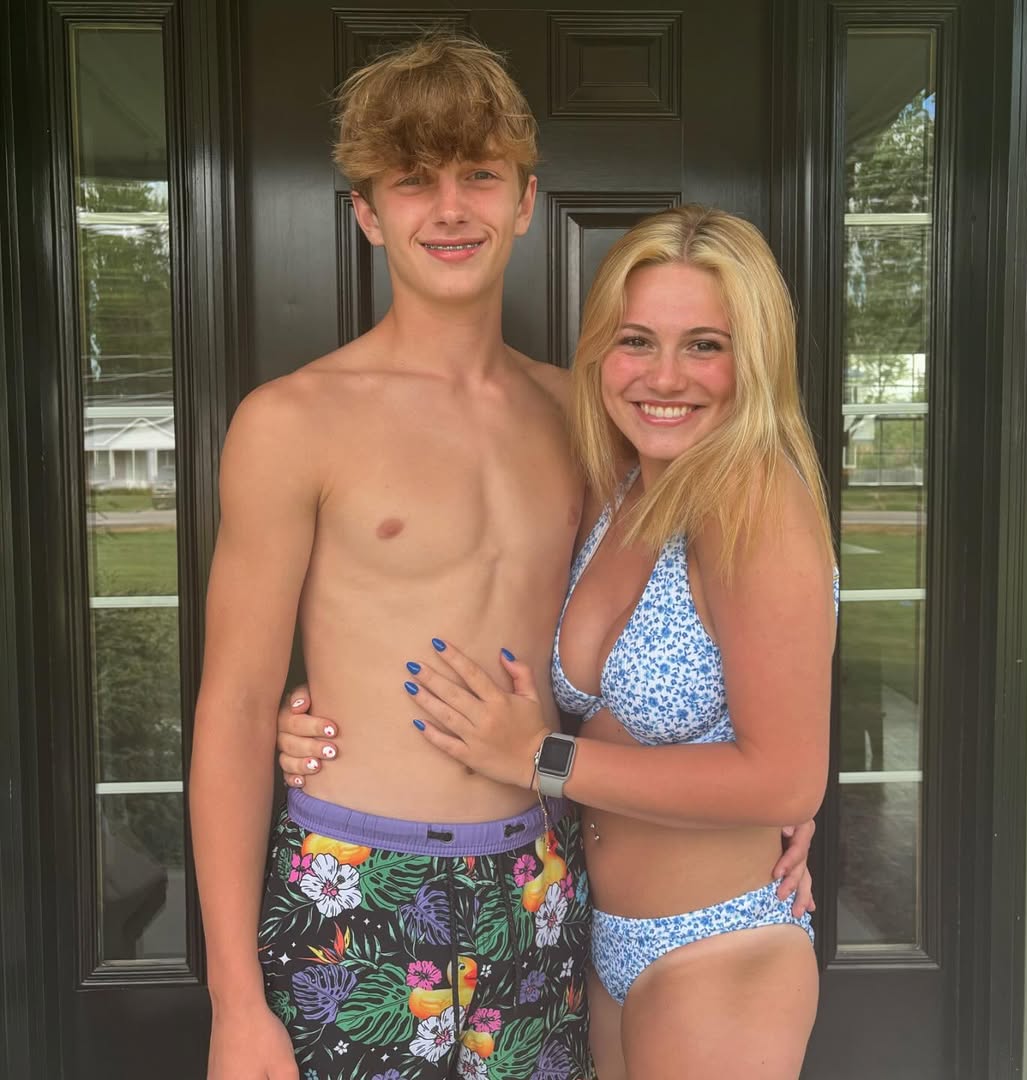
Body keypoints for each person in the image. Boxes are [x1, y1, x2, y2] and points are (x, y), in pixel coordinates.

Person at [192, 31, 814, 1080]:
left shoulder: (589, 421)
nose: (450, 208)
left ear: (525, 201)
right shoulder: (291, 422)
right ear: (367, 212)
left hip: (540, 884)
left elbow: (679, 624)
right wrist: (233, 1003)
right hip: (351, 877)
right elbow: (235, 706)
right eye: (413, 179)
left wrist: (781, 801)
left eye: (478, 175)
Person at [280, 206, 835, 1079]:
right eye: (637, 341)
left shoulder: (755, 503)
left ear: (755, 358)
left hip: (719, 948)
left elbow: (787, 777)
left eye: (705, 345)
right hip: (593, 938)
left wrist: (541, 759)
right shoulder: (624, 485)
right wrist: (331, 713)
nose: (664, 376)